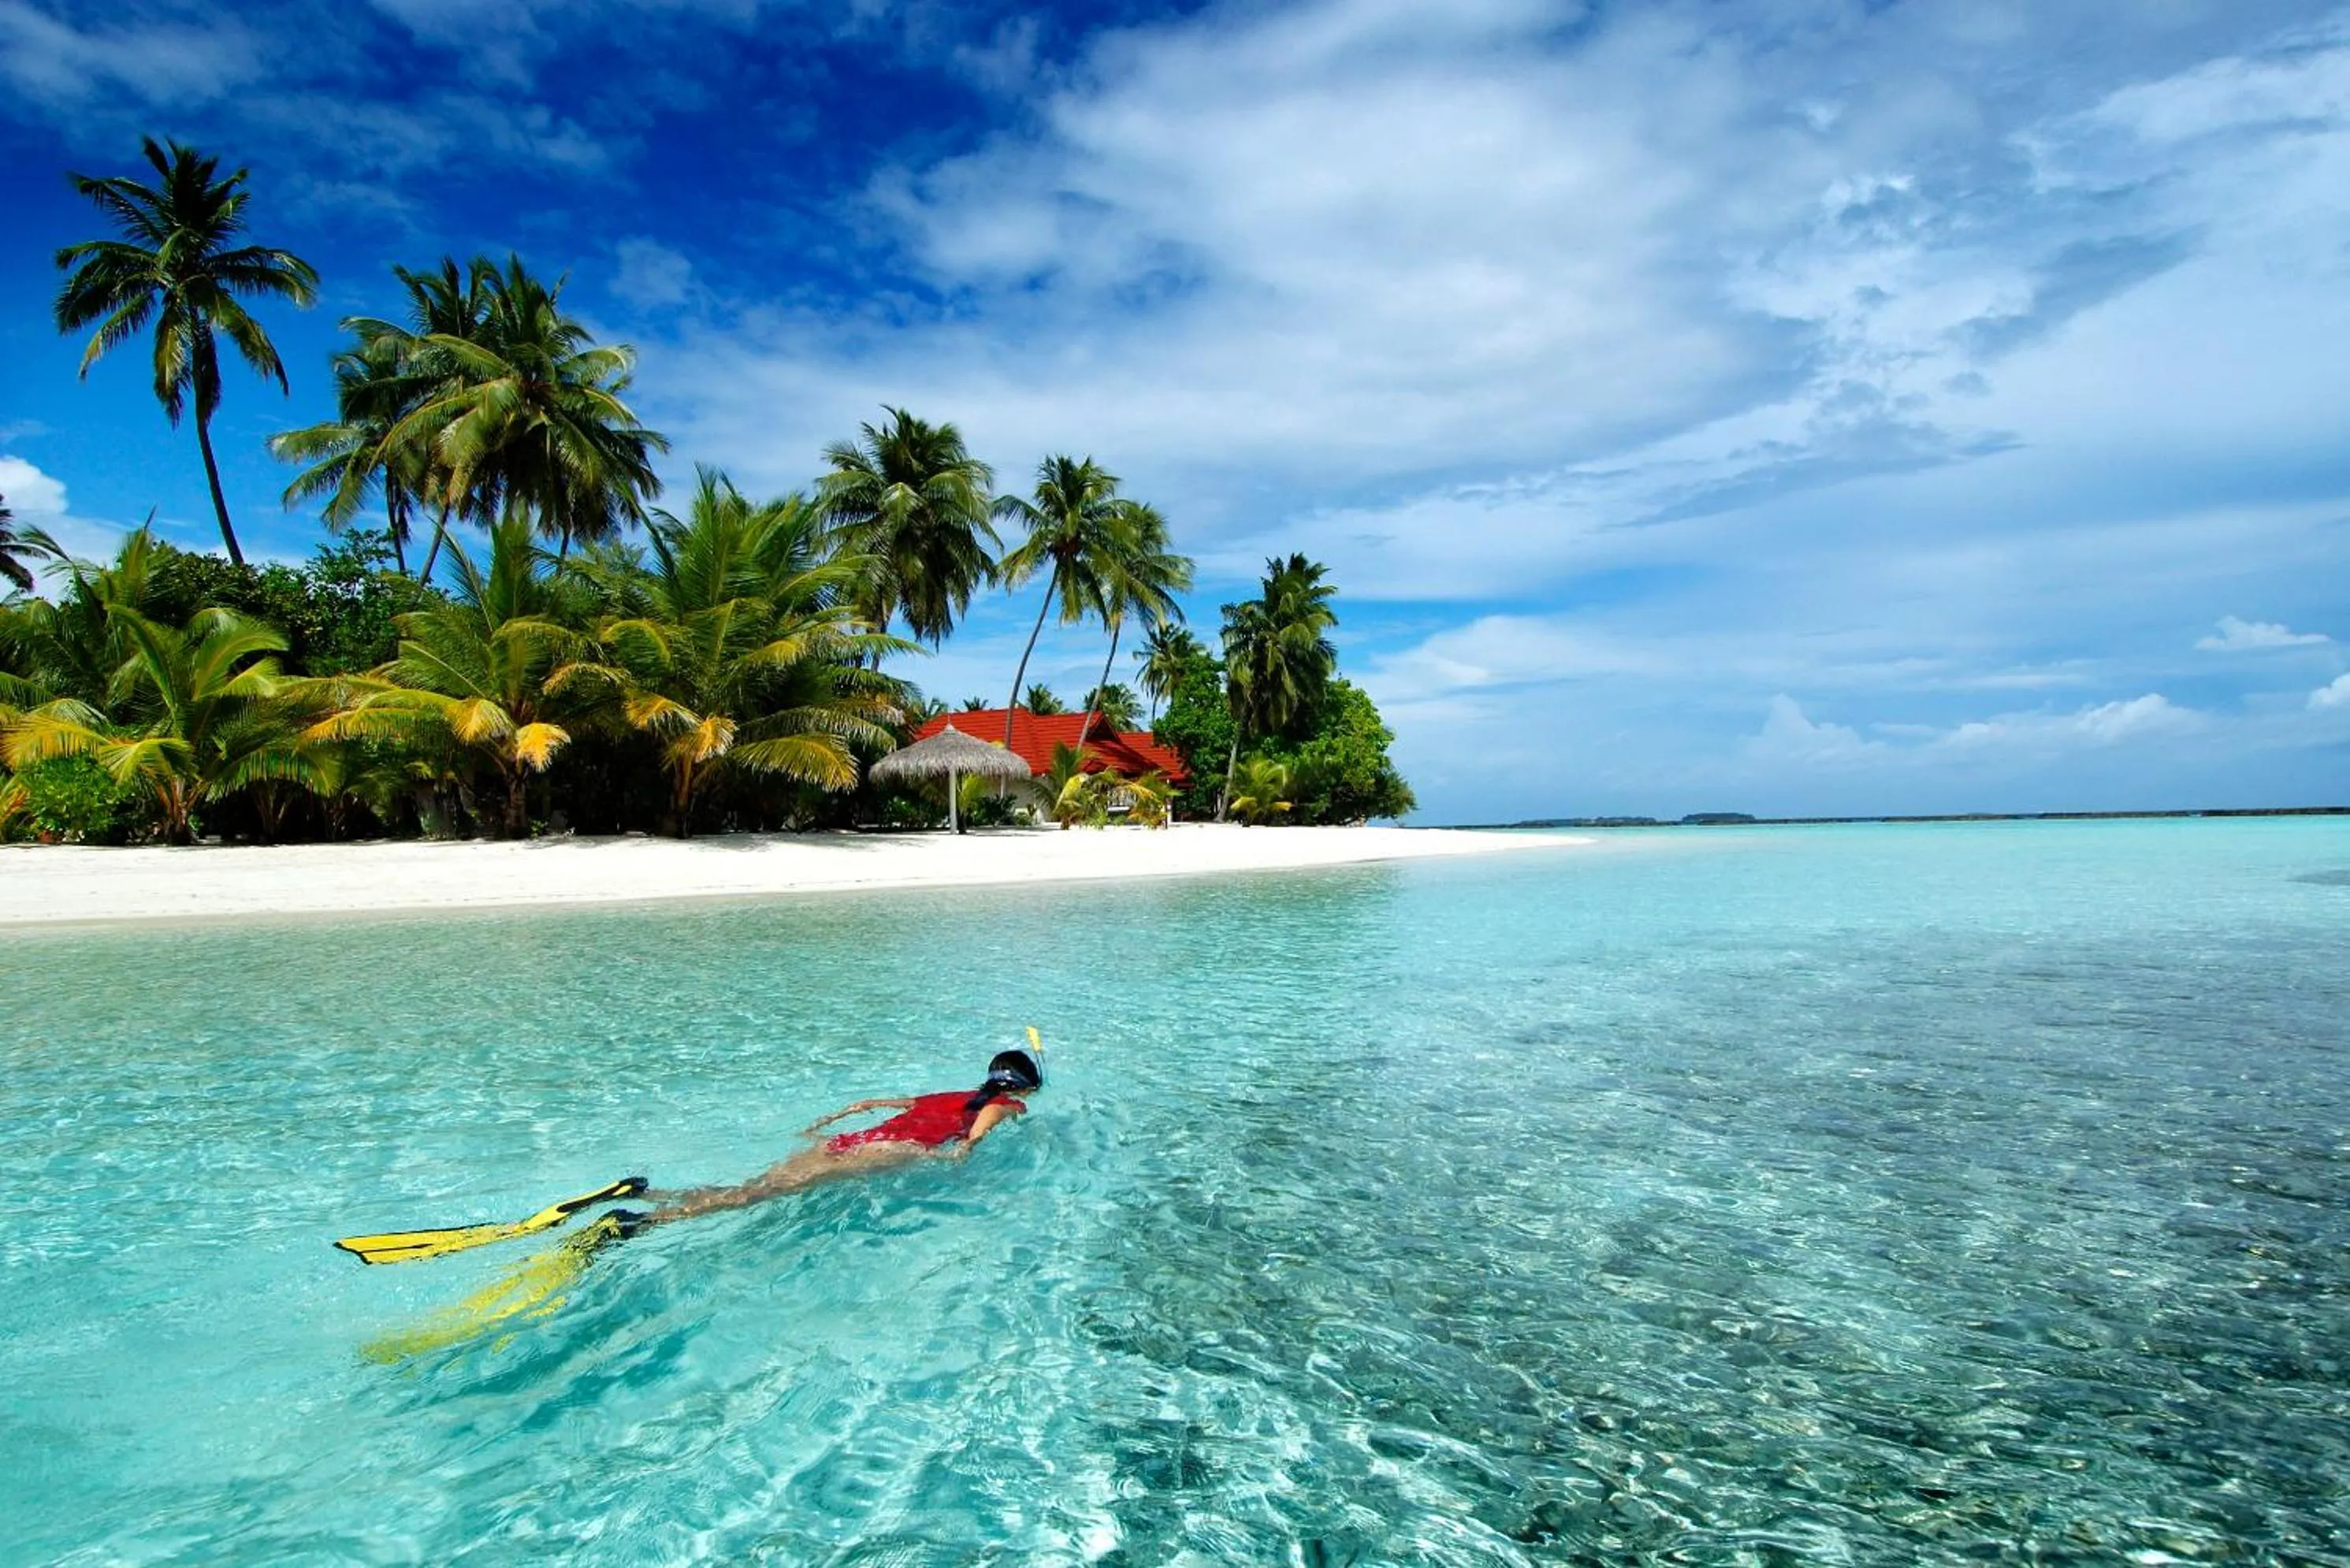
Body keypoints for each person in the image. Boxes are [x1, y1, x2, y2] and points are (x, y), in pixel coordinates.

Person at [634, 1047, 1043, 1226]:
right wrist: (958, 1157)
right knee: (762, 1195)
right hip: (885, 1151)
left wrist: (819, 1128)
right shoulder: (1008, 1106)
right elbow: (981, 1127)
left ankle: (649, 1197)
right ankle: (647, 1221)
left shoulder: (949, 1095)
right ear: (1020, 1087)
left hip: (853, 1139)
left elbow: (867, 1104)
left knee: (758, 1185)